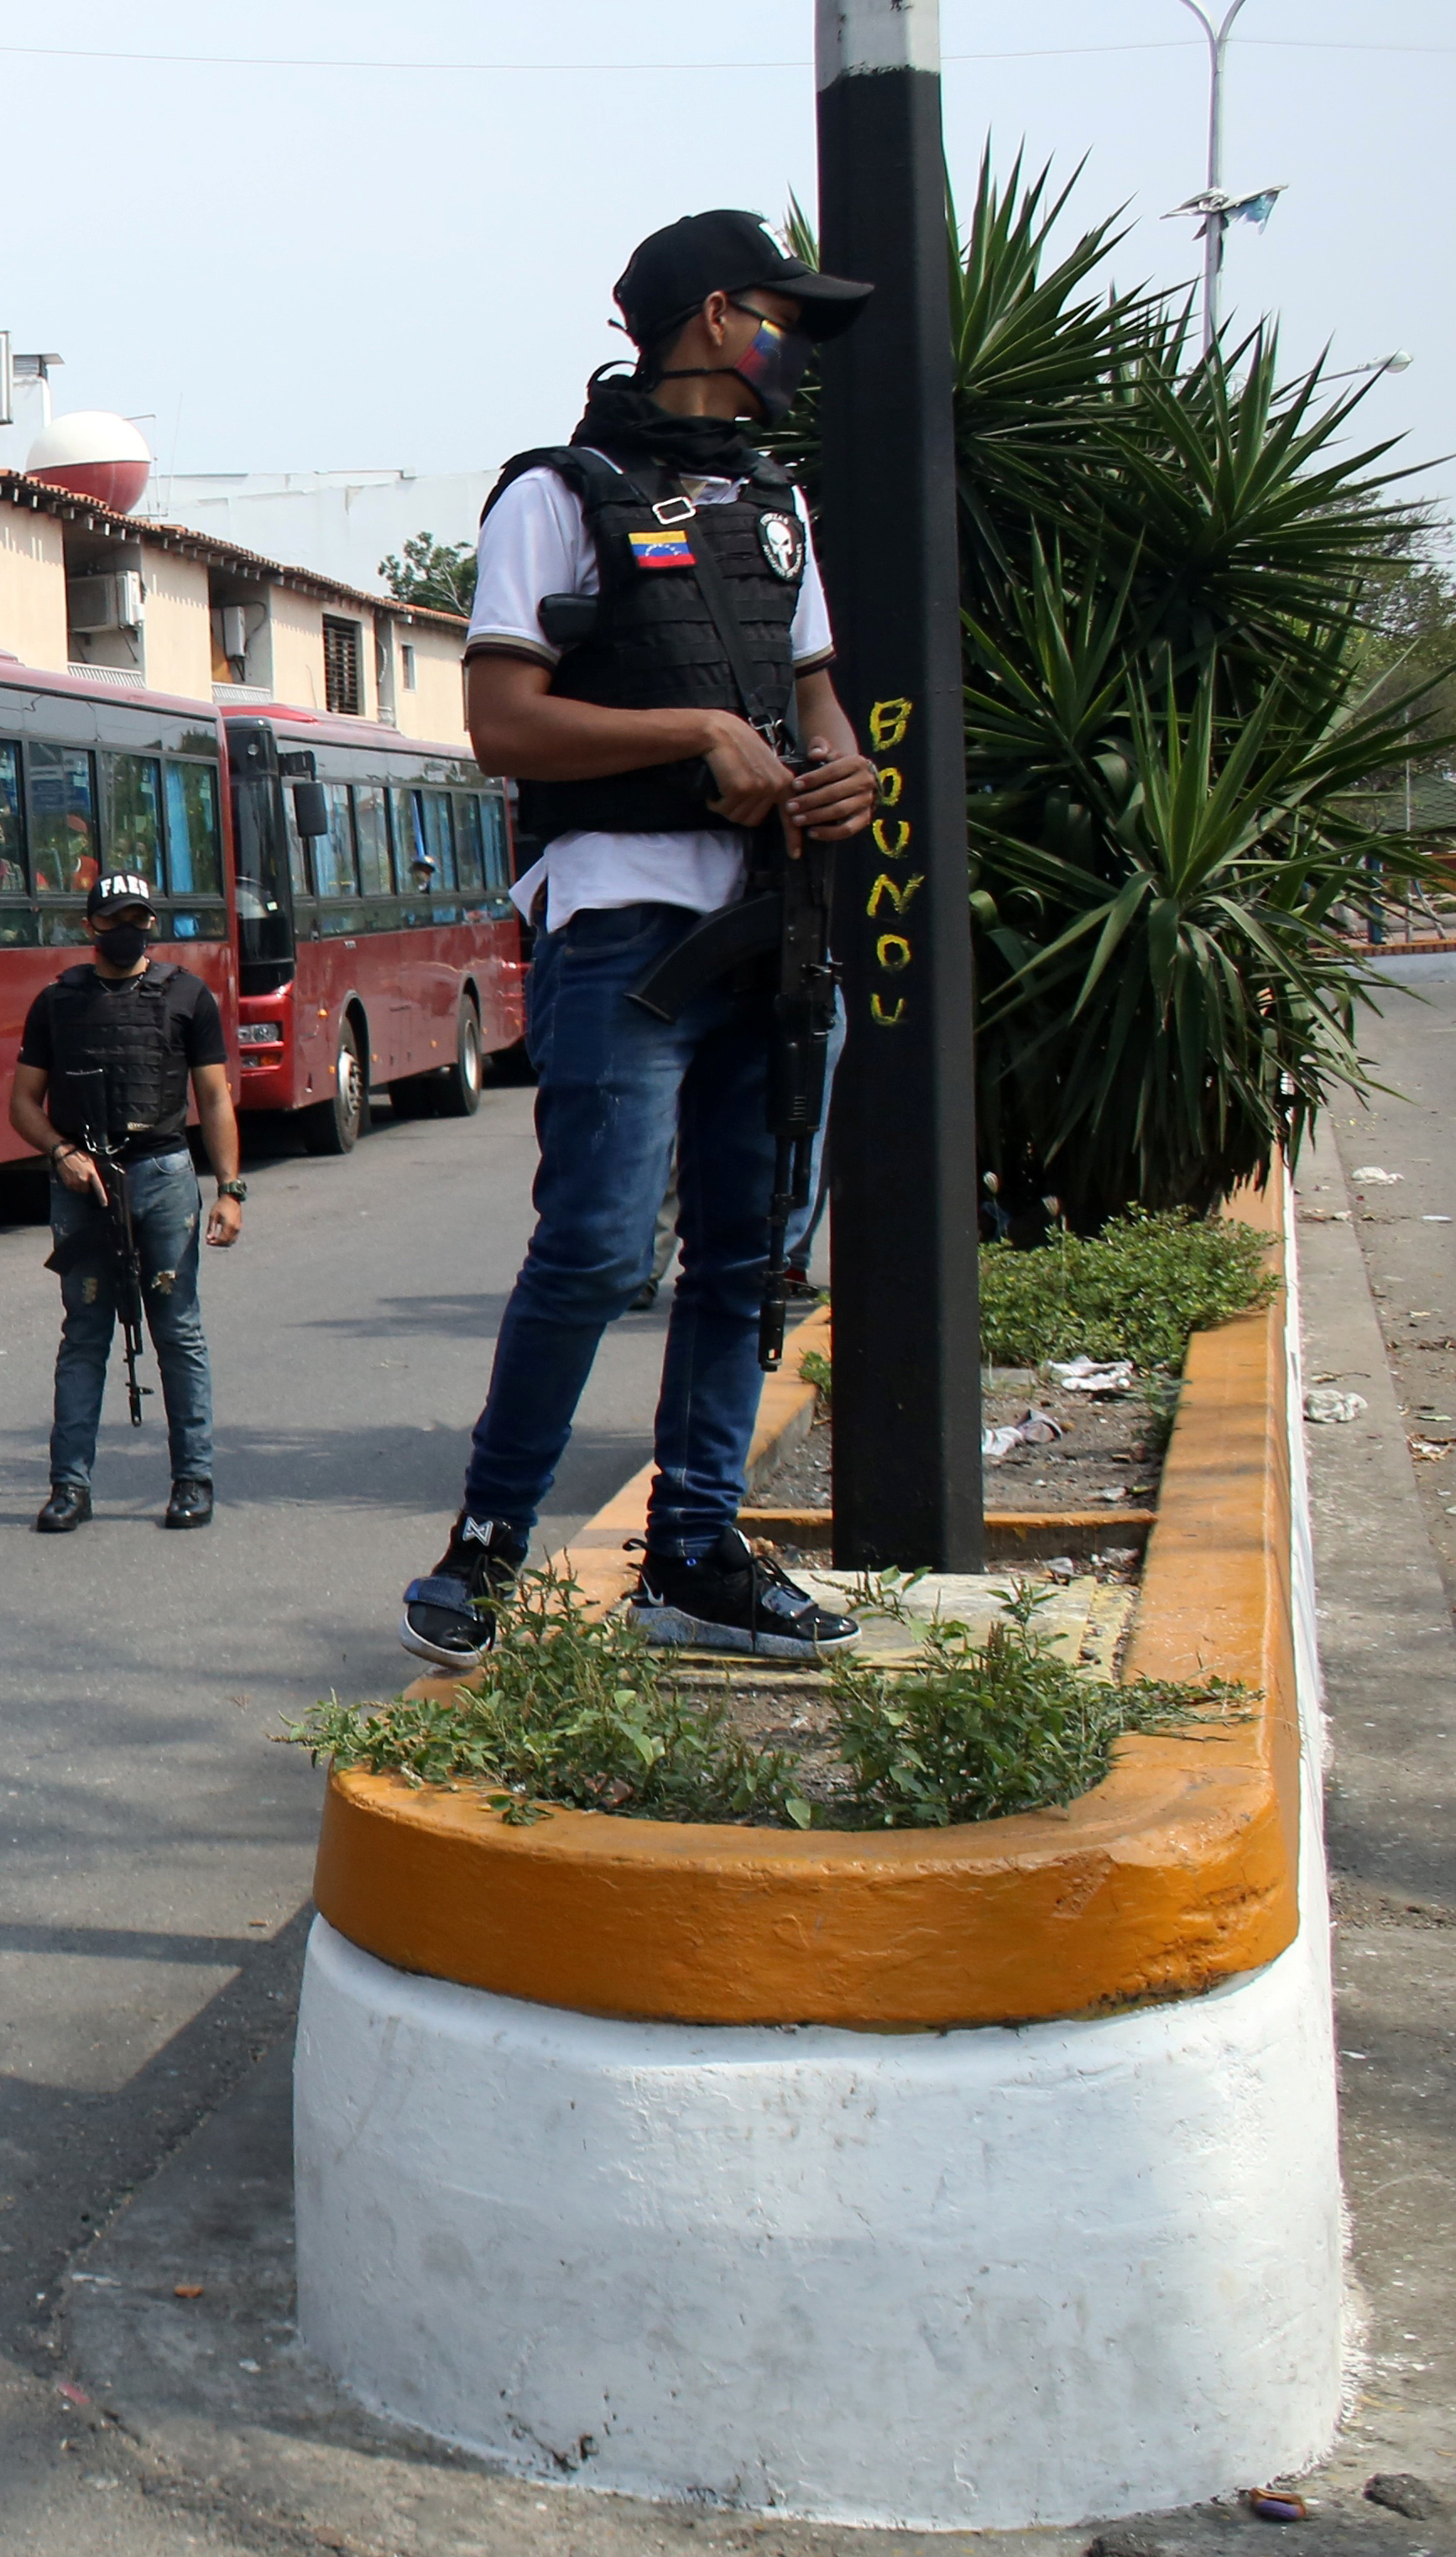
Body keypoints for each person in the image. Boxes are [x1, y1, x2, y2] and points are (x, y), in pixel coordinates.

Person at [399, 210, 884, 1666]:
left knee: (747, 1258)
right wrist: (688, 731)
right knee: (600, 1248)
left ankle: (695, 1555)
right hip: (620, 922)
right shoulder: (559, 497)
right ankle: (486, 1544)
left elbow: (817, 719)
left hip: (768, 927)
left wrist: (845, 774)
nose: (793, 347)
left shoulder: (778, 516)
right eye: (781, 317)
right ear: (716, 318)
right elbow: (499, 725)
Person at [9, 875, 243, 1534]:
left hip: (163, 1174)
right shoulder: (57, 1003)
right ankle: (69, 1487)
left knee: (178, 1329)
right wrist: (61, 1153)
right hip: (84, 1182)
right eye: (117, 918)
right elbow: (23, 1104)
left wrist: (230, 1188)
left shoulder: (187, 996)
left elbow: (216, 1099)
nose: (129, 929)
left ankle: (193, 1479)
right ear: (91, 927)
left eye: (139, 918)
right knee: (84, 1333)